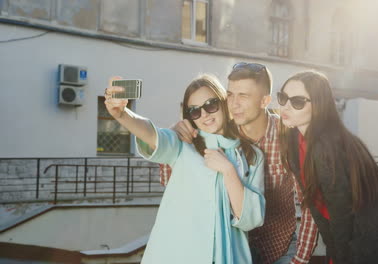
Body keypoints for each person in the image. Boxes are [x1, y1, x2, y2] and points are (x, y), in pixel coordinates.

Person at [164, 63, 319, 264]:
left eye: (243, 96)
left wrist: (301, 258)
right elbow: (172, 183)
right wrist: (177, 138)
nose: (233, 104)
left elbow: (310, 202)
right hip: (231, 251)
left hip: (280, 249)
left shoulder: (288, 136)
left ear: (265, 101)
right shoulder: (219, 131)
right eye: (230, 95)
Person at [104, 74, 266, 264]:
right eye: (195, 111)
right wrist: (122, 114)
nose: (204, 114)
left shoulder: (252, 155)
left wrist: (229, 171)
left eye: (210, 105)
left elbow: (251, 219)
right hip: (179, 253)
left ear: (223, 102)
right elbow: (152, 134)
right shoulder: (182, 144)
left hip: (229, 255)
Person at [278, 70, 378, 264]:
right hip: (343, 241)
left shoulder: (328, 147)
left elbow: (341, 214)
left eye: (297, 102)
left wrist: (338, 257)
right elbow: (317, 207)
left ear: (319, 106)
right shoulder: (295, 140)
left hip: (372, 245)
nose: (286, 107)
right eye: (283, 98)